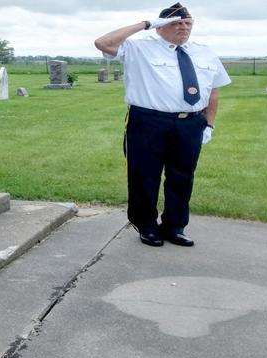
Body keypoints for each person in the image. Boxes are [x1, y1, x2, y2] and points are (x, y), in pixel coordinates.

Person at [94, 3, 232, 247]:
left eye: (187, 23)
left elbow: (214, 91)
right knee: (144, 176)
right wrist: (145, 24)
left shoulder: (204, 52)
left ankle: (174, 226)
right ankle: (146, 225)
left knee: (182, 177)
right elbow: (103, 43)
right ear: (160, 27)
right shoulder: (139, 48)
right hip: (148, 122)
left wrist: (209, 125)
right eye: (176, 22)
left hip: (190, 124)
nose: (183, 27)